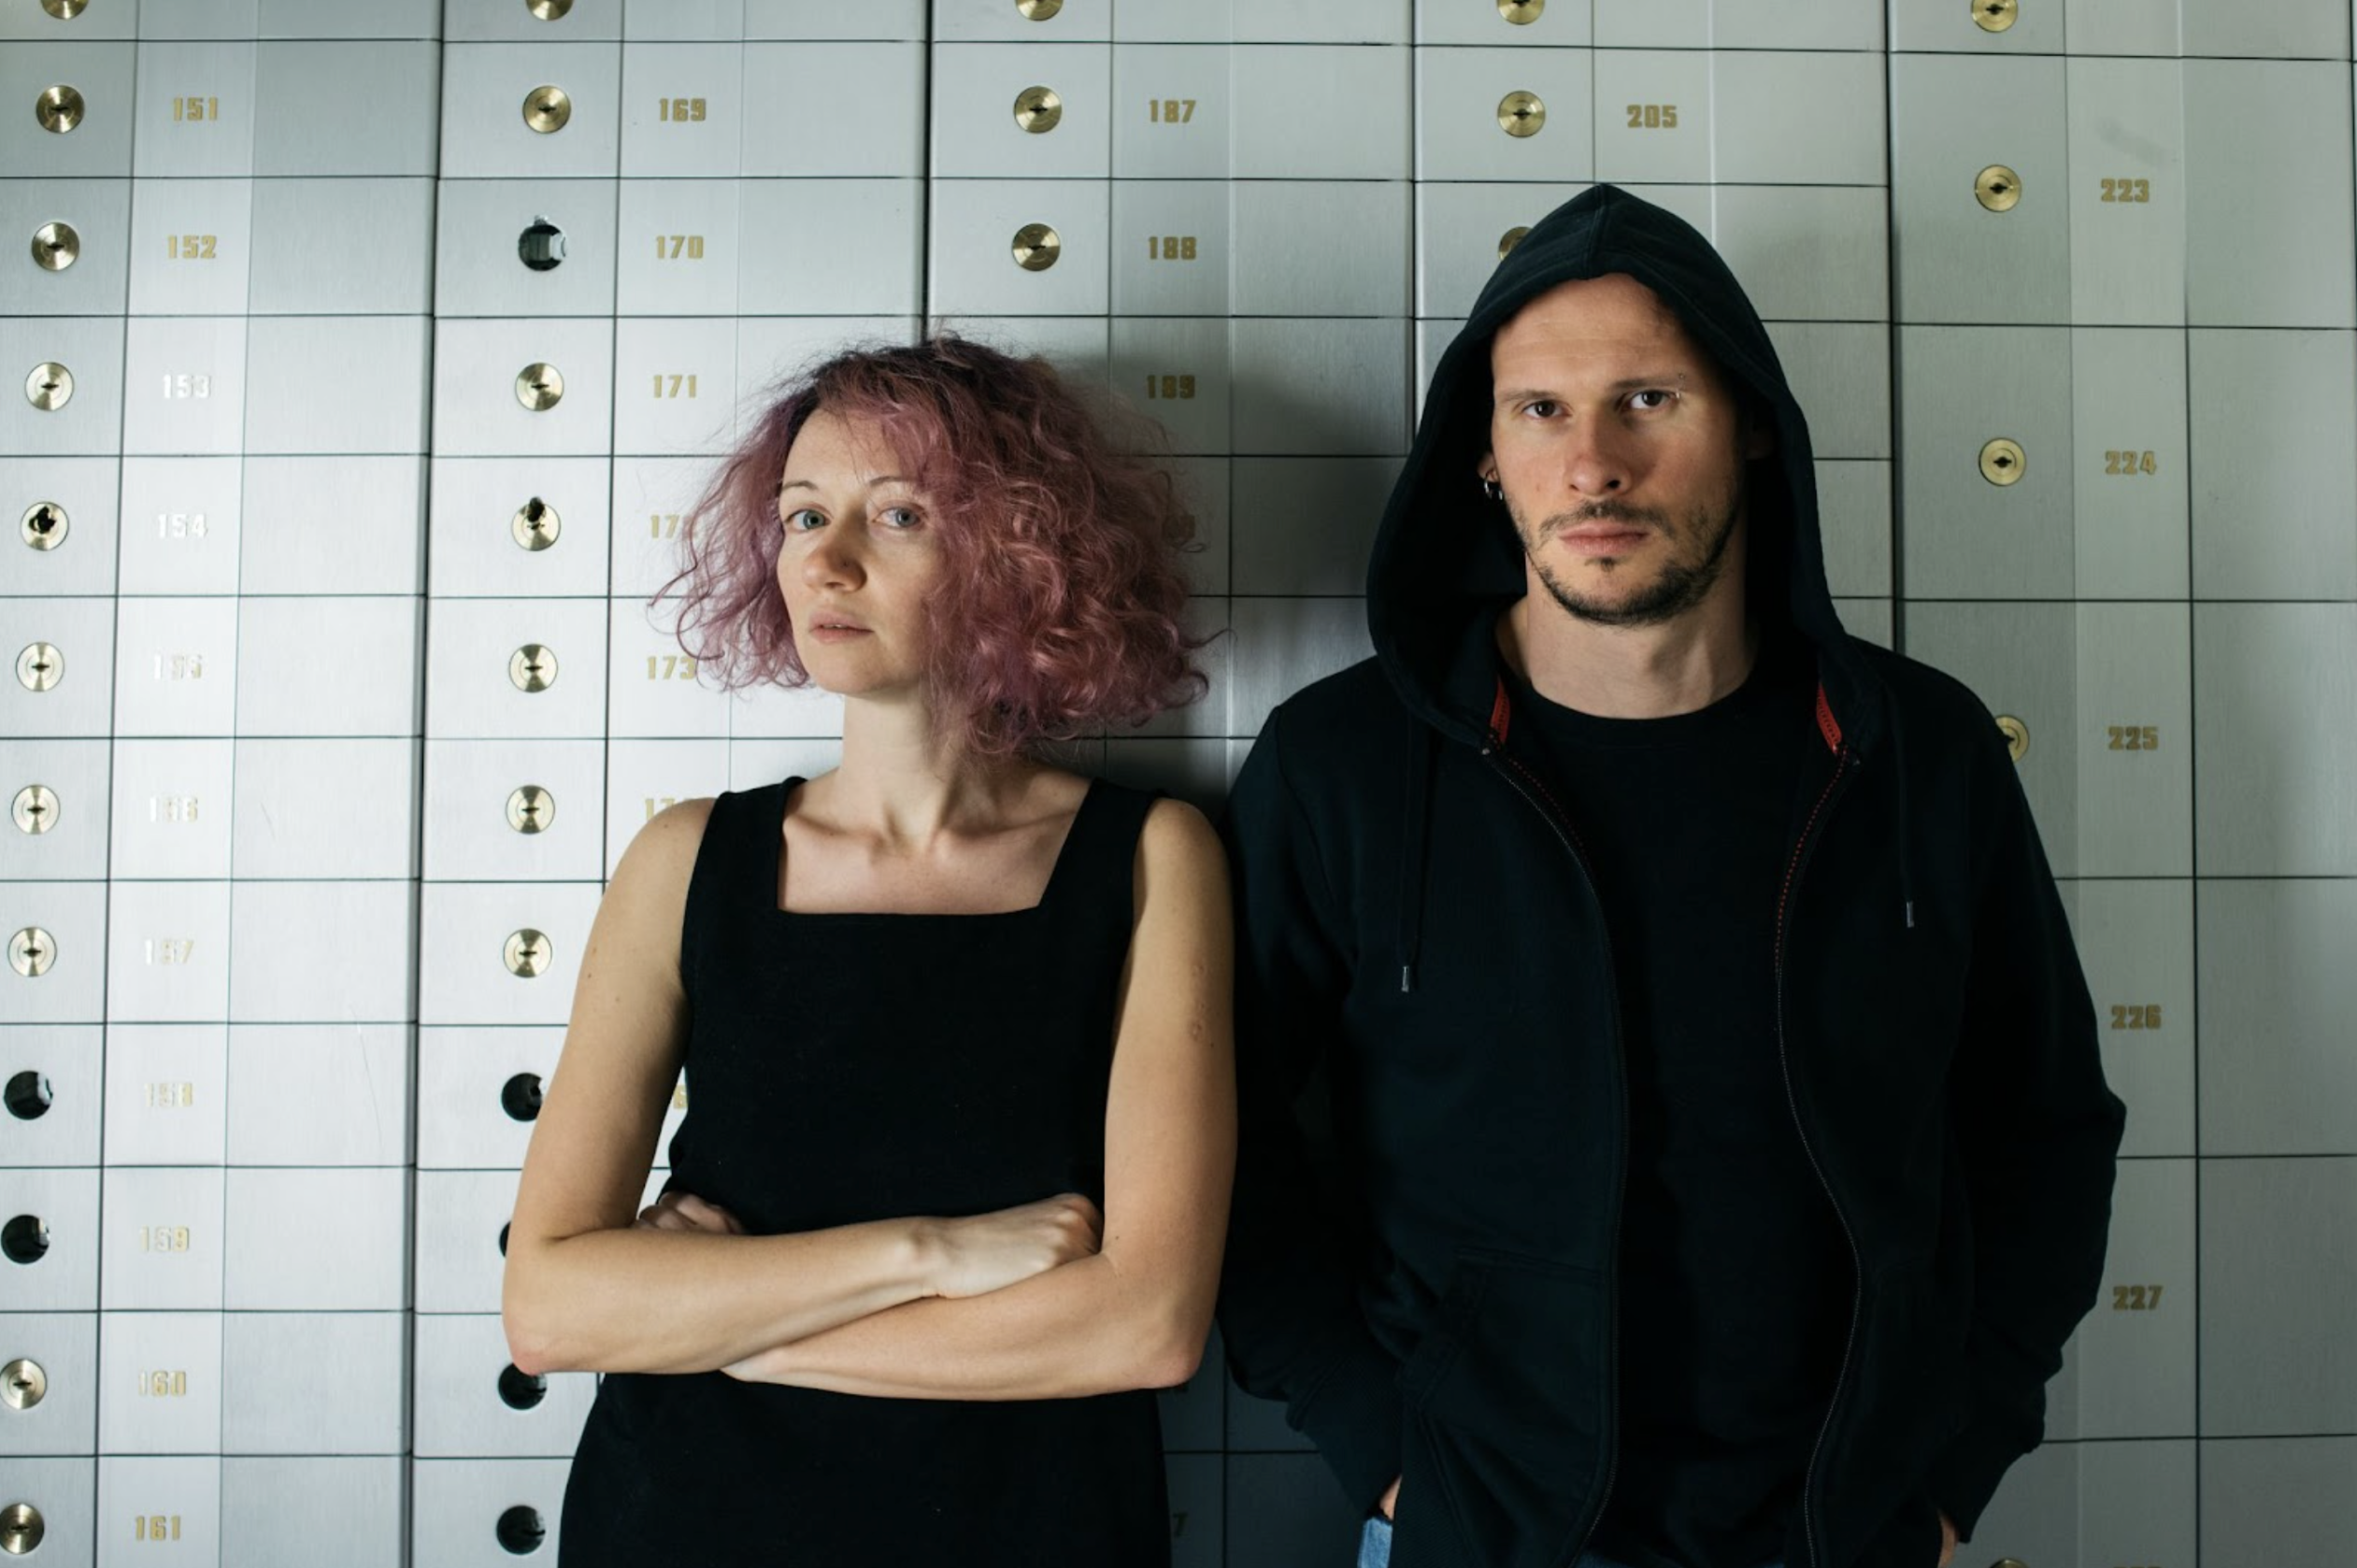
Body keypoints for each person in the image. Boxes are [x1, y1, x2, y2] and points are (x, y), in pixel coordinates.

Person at [1215, 184, 2125, 1568]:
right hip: (1480, 1528)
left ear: (1751, 424)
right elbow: (1221, 1138)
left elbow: (2042, 1126)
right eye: (1539, 410)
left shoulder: (1916, 751)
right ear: (1483, 454)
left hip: (1845, 1532)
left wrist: (1951, 1467)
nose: (1592, 464)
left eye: (1648, 399)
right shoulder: (1341, 764)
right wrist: (1385, 1450)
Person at [502, 336, 1236, 1567]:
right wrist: (931, 1252)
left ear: (1019, 552)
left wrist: (726, 1330)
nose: (825, 560)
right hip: (687, 1526)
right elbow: (549, 1306)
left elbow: (1145, 1325)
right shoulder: (685, 859)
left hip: (1027, 1533)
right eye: (804, 515)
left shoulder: (1153, 857)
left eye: (897, 514)